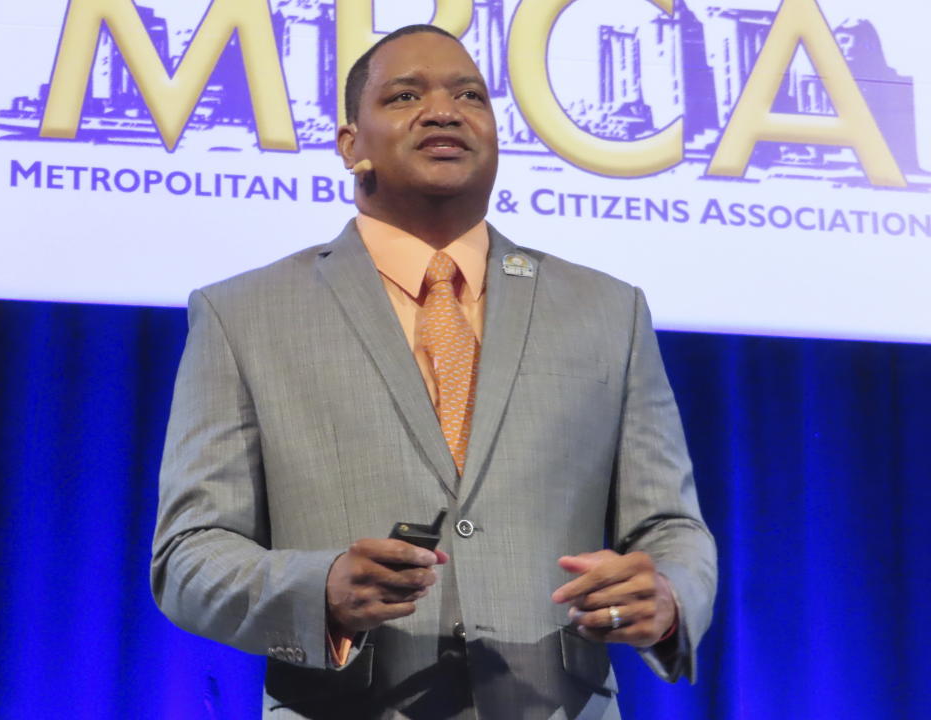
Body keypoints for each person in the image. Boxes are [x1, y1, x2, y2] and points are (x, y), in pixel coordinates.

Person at [151, 24, 716, 720]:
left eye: (469, 95)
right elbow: (189, 555)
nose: (444, 110)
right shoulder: (243, 313)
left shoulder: (606, 310)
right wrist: (318, 588)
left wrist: (667, 594)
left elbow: (671, 527)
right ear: (351, 144)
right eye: (405, 95)